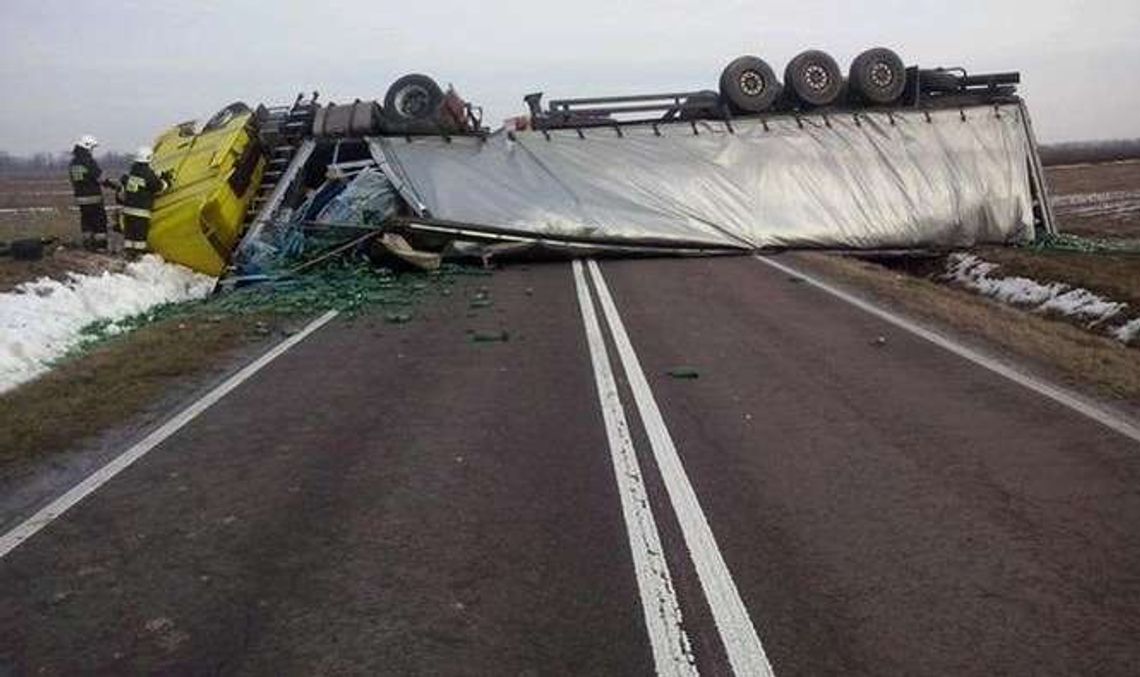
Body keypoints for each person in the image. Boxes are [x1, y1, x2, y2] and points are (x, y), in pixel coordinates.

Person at [118, 147, 170, 256]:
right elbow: (158, 187)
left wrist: (157, 175)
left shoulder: (132, 172)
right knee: (139, 236)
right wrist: (167, 181)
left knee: (129, 235)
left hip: (128, 210)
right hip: (141, 211)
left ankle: (128, 253)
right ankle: (138, 255)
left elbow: (142, 182)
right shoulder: (147, 174)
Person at [68, 135, 115, 251]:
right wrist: (113, 185)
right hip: (93, 197)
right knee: (99, 221)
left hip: (80, 198)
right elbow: (100, 178)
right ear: (87, 146)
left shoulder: (73, 163)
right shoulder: (88, 161)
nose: (92, 150)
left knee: (86, 222)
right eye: (92, 148)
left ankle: (88, 245)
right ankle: (100, 247)